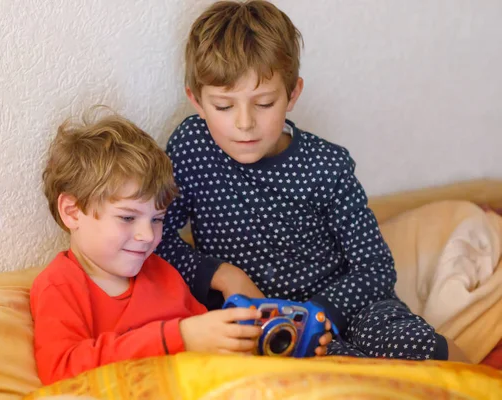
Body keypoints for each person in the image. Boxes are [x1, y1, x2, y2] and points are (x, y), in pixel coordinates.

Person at [156, 0, 467, 362]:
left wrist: (320, 313)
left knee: (423, 349)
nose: (244, 123)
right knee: (337, 376)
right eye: (224, 106)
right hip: (263, 325)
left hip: (348, 307)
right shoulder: (193, 147)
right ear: (196, 100)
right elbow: (155, 237)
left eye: (264, 103)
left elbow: (376, 268)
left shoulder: (327, 166)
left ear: (292, 94)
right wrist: (221, 275)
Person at [30, 108, 268, 385]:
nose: (147, 235)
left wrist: (260, 340)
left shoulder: (162, 272)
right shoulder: (60, 285)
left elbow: (209, 341)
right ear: (72, 212)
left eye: (157, 219)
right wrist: (177, 337)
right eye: (127, 217)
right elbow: (61, 370)